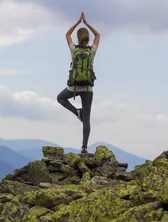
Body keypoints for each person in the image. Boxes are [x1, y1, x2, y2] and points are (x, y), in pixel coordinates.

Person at [56, 11, 100, 154]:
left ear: (78, 37)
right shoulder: (92, 51)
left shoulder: (73, 49)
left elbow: (67, 34)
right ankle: (84, 147)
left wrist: (78, 22)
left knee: (60, 98)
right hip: (88, 89)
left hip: (74, 87)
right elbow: (98, 35)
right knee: (87, 119)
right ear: (87, 38)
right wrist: (86, 23)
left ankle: (76, 112)